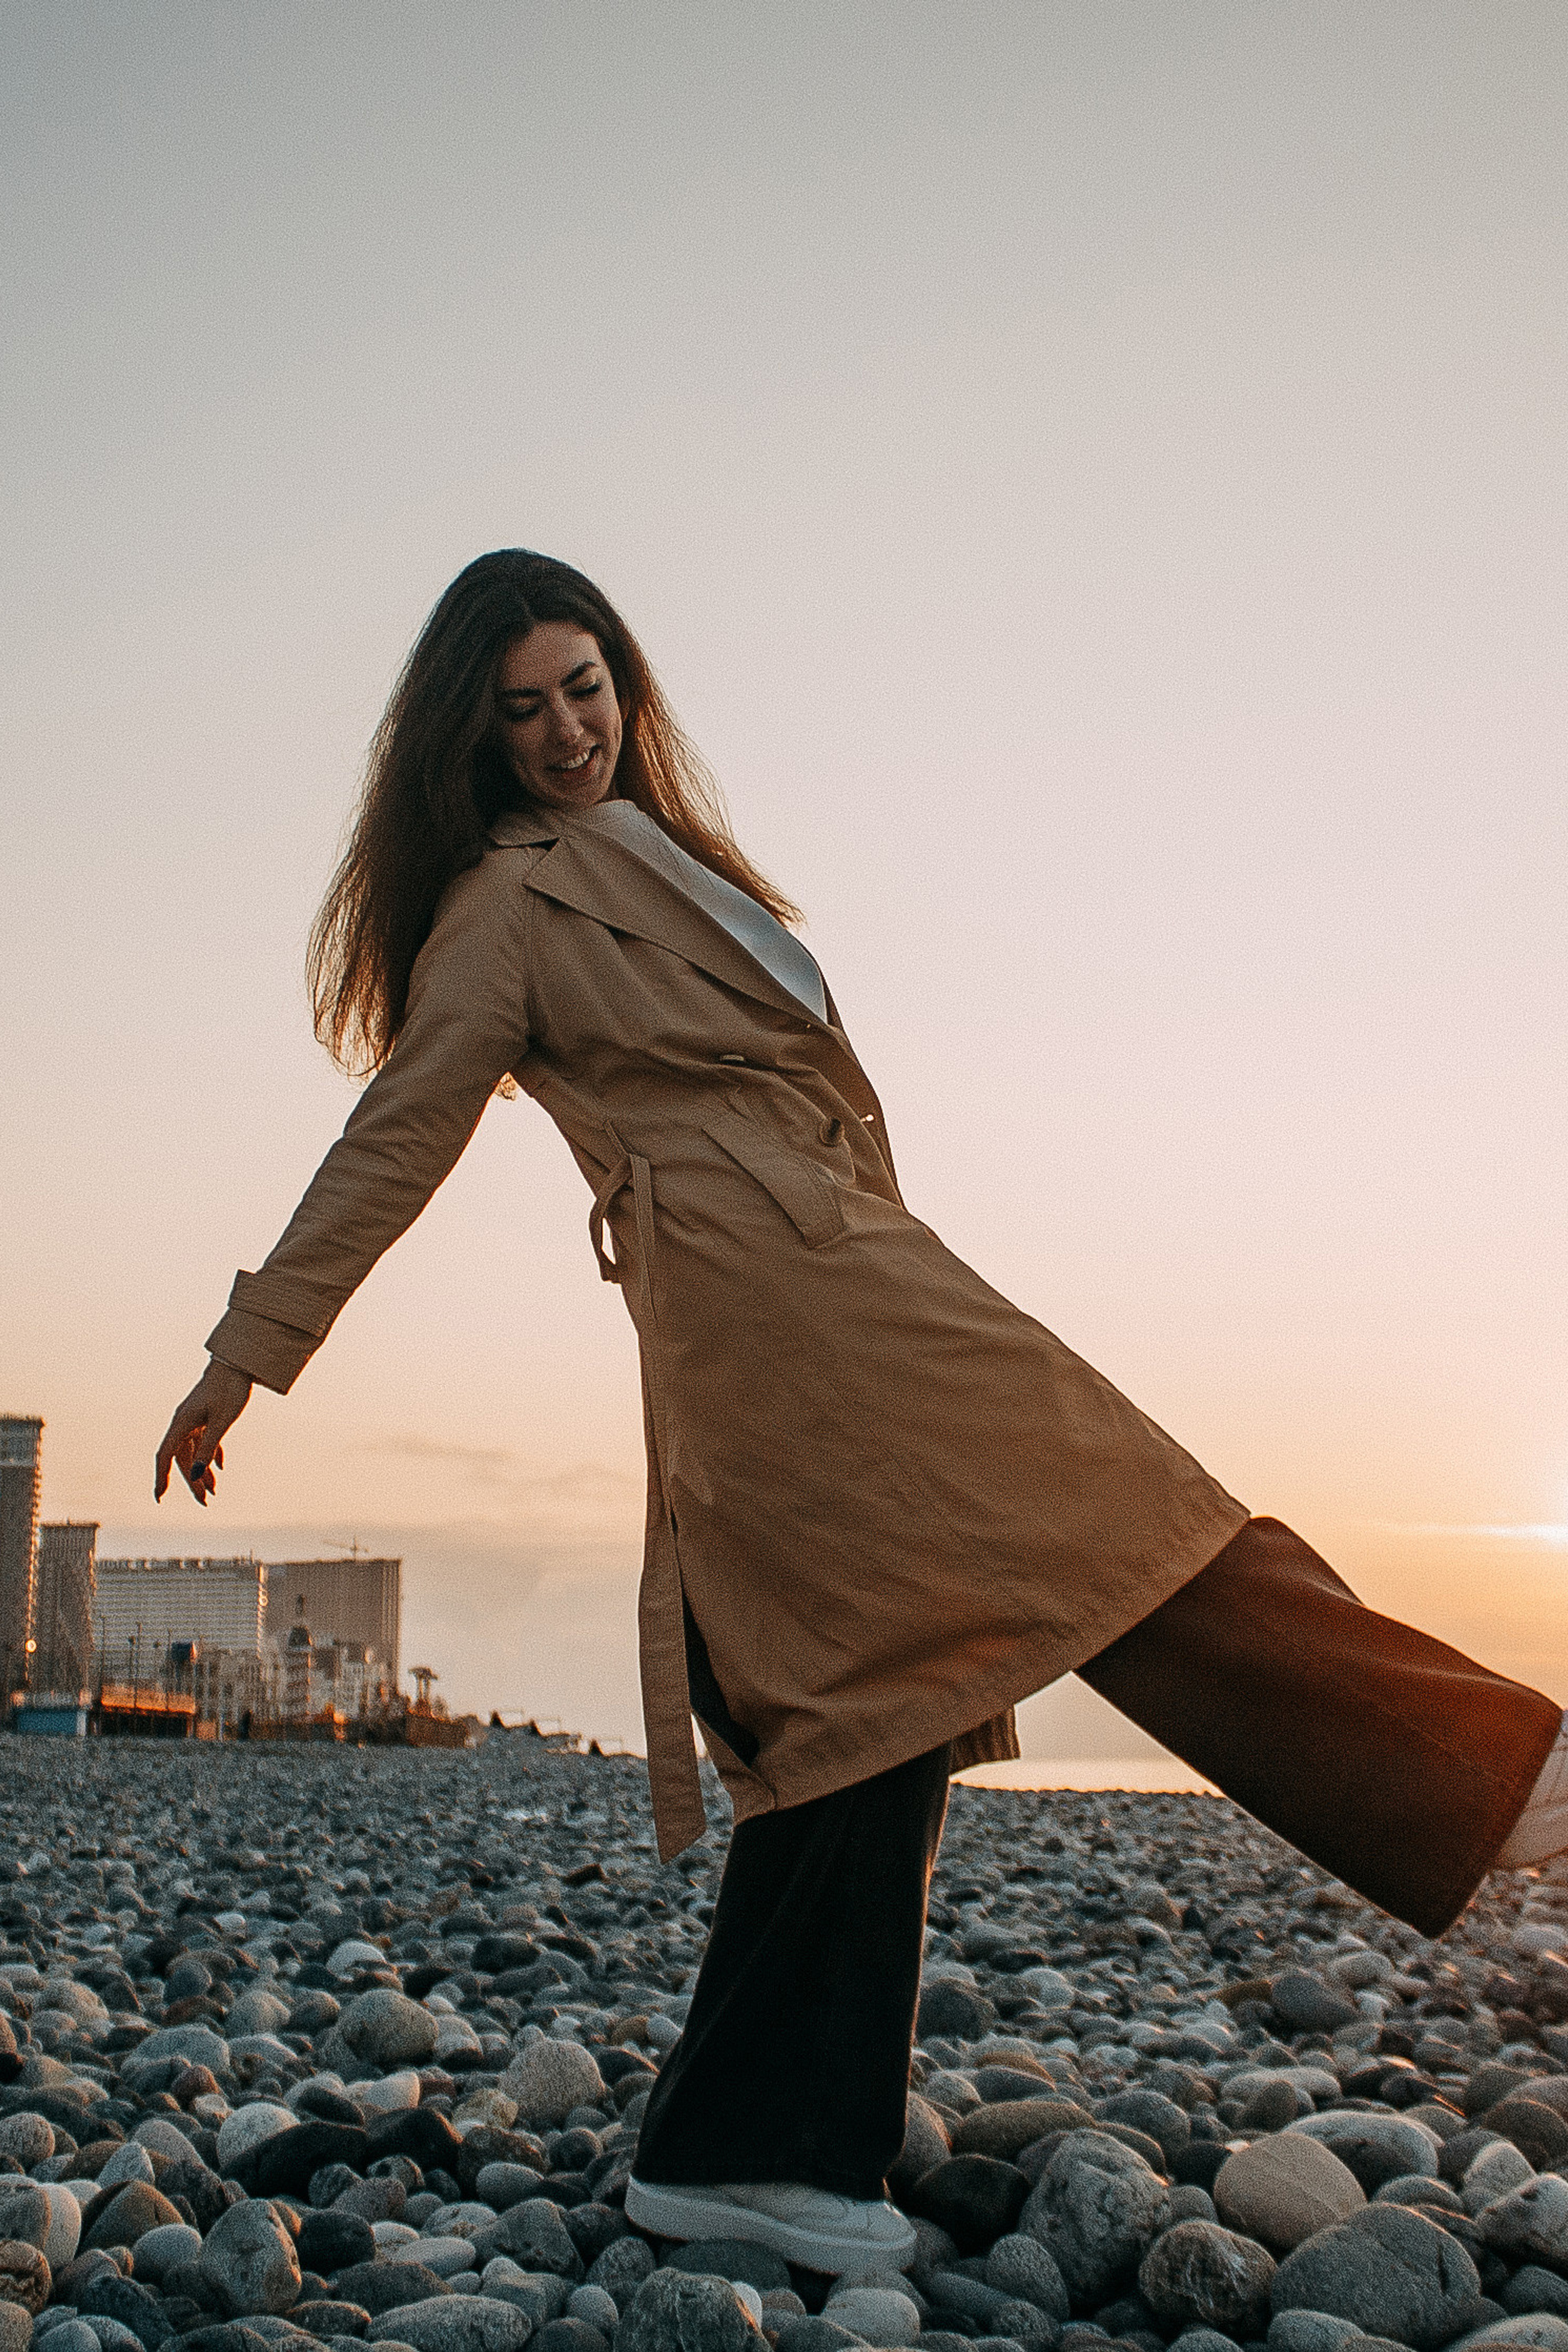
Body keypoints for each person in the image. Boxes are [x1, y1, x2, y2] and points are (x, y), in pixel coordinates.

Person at [156, 549, 1568, 2280]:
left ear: (629, 679)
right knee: (1124, 1522)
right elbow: (402, 1130)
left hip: (832, 1267)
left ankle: (751, 2143)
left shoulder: (663, 852)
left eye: (586, 686)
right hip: (778, 1304)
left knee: (862, 1694)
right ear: (473, 736)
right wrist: (247, 1351)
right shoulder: (506, 904)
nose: (566, 729)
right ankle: (1486, 1776)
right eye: (522, 709)